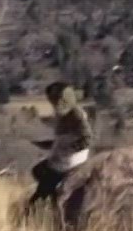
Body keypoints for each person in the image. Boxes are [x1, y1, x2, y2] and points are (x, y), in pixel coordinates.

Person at [27, 81, 93, 219]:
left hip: (69, 161)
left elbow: (87, 138)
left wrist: (69, 149)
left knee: (44, 184)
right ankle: (51, 200)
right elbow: (62, 140)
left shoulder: (76, 114)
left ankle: (38, 211)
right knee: (38, 171)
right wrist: (47, 144)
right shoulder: (64, 114)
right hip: (62, 157)